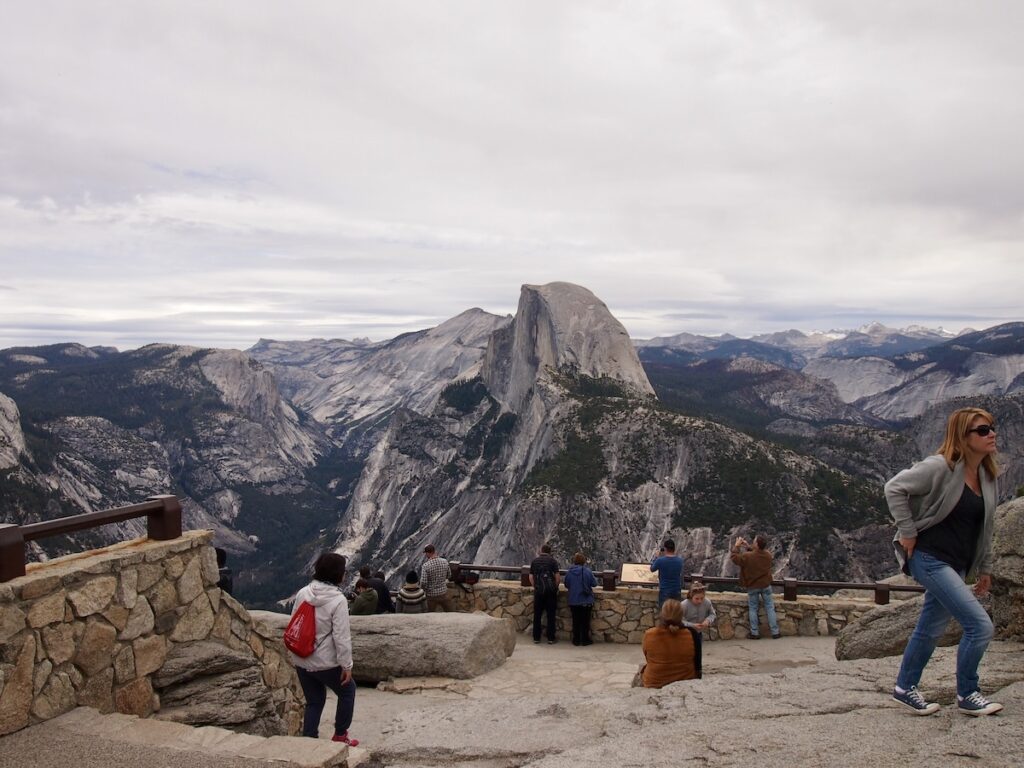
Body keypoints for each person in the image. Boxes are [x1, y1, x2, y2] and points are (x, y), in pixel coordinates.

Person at [887, 407, 1003, 717]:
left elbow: (986, 527)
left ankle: (904, 688)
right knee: (980, 626)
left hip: (959, 564)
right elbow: (894, 488)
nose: (991, 434)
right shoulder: (941, 467)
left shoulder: (987, 476)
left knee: (930, 627)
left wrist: (985, 568)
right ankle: (968, 693)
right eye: (982, 430)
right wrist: (908, 533)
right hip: (930, 558)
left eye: (991, 427)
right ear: (962, 437)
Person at [288, 552, 359, 746]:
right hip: (325, 662)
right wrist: (347, 666)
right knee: (347, 691)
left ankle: (309, 741)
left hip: (302, 658)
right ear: (338, 574)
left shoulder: (303, 593)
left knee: (315, 700)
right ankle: (340, 734)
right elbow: (342, 637)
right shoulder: (338, 601)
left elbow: (295, 623)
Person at [640, 598, 702, 688]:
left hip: (654, 683)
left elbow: (648, 658)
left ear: (662, 614)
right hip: (685, 682)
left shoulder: (649, 634)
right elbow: (698, 665)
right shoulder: (692, 634)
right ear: (681, 615)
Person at [731, 534, 780, 639]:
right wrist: (747, 546)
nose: (753, 543)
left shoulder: (747, 557)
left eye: (754, 542)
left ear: (757, 544)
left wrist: (737, 546)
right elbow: (756, 553)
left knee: (753, 608)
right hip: (766, 585)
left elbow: (735, 558)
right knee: (770, 607)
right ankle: (775, 632)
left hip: (753, 586)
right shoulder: (768, 555)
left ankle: (755, 633)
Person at [563, 551, 598, 646]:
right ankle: (585, 640)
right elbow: (594, 584)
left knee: (576, 621)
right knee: (585, 621)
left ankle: (576, 640)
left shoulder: (570, 572)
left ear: (574, 561)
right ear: (584, 561)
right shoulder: (587, 571)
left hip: (574, 600)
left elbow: (566, 584)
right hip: (586, 600)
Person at [530, 543, 560, 644]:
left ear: (541, 550)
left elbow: (530, 576)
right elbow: (557, 577)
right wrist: (554, 587)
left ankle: (536, 638)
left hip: (539, 592)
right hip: (550, 593)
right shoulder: (553, 561)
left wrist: (536, 586)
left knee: (537, 615)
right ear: (549, 552)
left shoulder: (535, 561)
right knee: (551, 615)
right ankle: (551, 638)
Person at [649, 539, 684, 607]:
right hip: (676, 590)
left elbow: (652, 569)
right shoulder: (680, 561)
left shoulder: (660, 560)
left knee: (665, 613)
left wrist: (656, 557)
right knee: (675, 612)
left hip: (665, 590)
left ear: (665, 549)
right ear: (674, 549)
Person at [419, 544, 454, 612]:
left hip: (431, 595)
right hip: (443, 593)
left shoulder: (426, 566)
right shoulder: (445, 562)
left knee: (429, 614)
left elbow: (423, 582)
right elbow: (449, 575)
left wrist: (424, 590)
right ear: (434, 551)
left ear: (428, 553)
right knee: (450, 612)